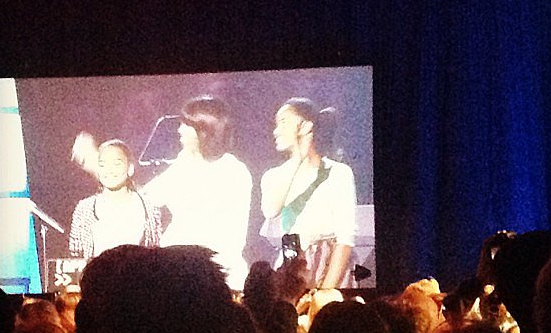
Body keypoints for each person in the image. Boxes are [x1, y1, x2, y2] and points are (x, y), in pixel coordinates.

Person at [142, 95, 252, 290]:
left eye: (186, 125)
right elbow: (148, 198)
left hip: (214, 276)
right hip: (175, 268)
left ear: (204, 131)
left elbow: (227, 237)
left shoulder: (233, 171)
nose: (179, 130)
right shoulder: (184, 163)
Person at [260, 97, 357, 289]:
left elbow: (345, 239)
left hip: (330, 266)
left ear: (306, 126)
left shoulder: (338, 172)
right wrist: (298, 158)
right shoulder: (273, 176)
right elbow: (270, 210)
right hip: (293, 265)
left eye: (283, 122)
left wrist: (326, 291)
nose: (275, 131)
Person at [69, 139, 161, 259]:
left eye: (116, 164)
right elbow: (75, 255)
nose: (109, 170)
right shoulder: (84, 209)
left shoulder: (149, 206)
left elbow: (155, 251)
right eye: (102, 164)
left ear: (130, 169)